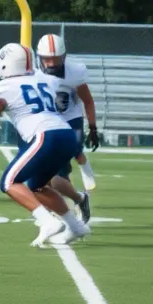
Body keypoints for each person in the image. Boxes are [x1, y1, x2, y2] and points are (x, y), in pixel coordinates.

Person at [0, 43, 87, 247]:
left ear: (5, 66)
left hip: (45, 135)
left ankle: (46, 221)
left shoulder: (2, 87)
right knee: (37, 186)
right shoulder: (45, 79)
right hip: (66, 135)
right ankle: (76, 226)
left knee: (9, 182)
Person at [34, 34, 99, 223]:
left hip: (70, 118)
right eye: (47, 59)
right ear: (39, 57)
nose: (52, 63)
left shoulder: (74, 72)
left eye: (56, 58)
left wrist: (93, 127)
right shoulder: (33, 73)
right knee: (52, 176)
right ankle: (74, 203)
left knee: (71, 154)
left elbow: (87, 100)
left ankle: (83, 165)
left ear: (64, 56)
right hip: (48, 121)